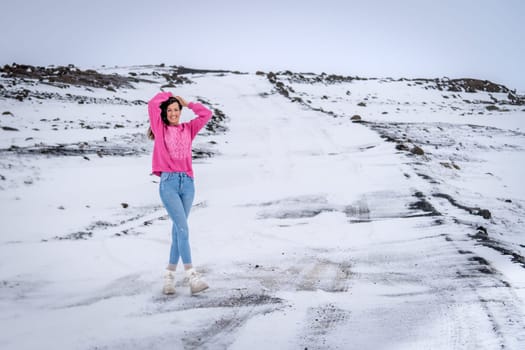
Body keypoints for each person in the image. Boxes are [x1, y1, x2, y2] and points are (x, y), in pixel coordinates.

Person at [148, 91, 212, 295]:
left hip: (188, 184)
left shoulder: (188, 129)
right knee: (183, 229)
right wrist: (169, 94)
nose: (173, 113)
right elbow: (152, 104)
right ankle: (192, 275)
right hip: (169, 184)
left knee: (178, 231)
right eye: (170, 110)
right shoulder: (160, 129)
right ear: (165, 113)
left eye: (176, 110)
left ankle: (168, 277)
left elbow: (206, 114)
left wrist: (189, 103)